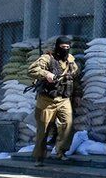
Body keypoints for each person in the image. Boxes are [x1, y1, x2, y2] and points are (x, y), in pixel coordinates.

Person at [28, 36, 80, 167]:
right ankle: (39, 157)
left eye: (68, 48)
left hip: (63, 99)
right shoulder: (47, 58)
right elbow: (32, 70)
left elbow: (75, 78)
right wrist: (47, 74)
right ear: (57, 47)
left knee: (68, 125)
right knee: (43, 130)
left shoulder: (70, 60)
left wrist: (77, 94)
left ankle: (61, 152)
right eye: (63, 48)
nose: (65, 50)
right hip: (47, 100)